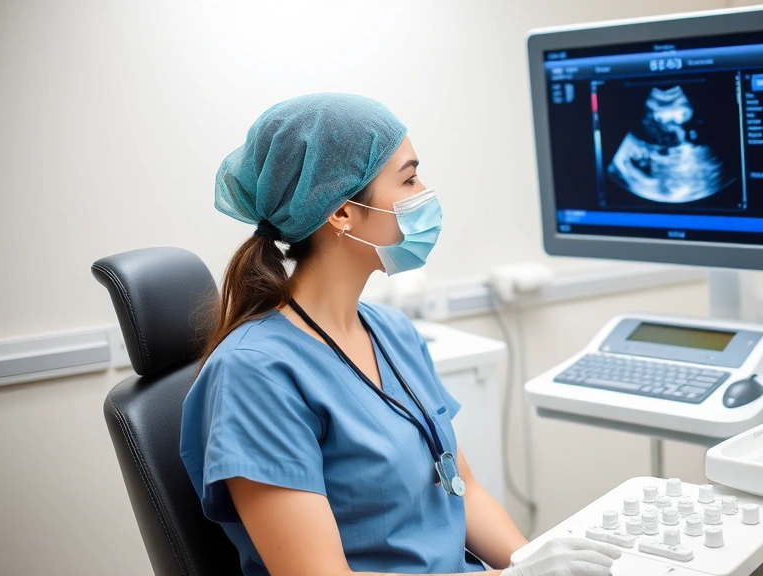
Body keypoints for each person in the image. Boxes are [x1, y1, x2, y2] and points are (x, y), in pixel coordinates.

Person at [179, 93, 620, 576]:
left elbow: (462, 487)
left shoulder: (390, 331)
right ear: (342, 213)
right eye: (409, 178)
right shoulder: (255, 374)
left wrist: (532, 563)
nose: (425, 193)